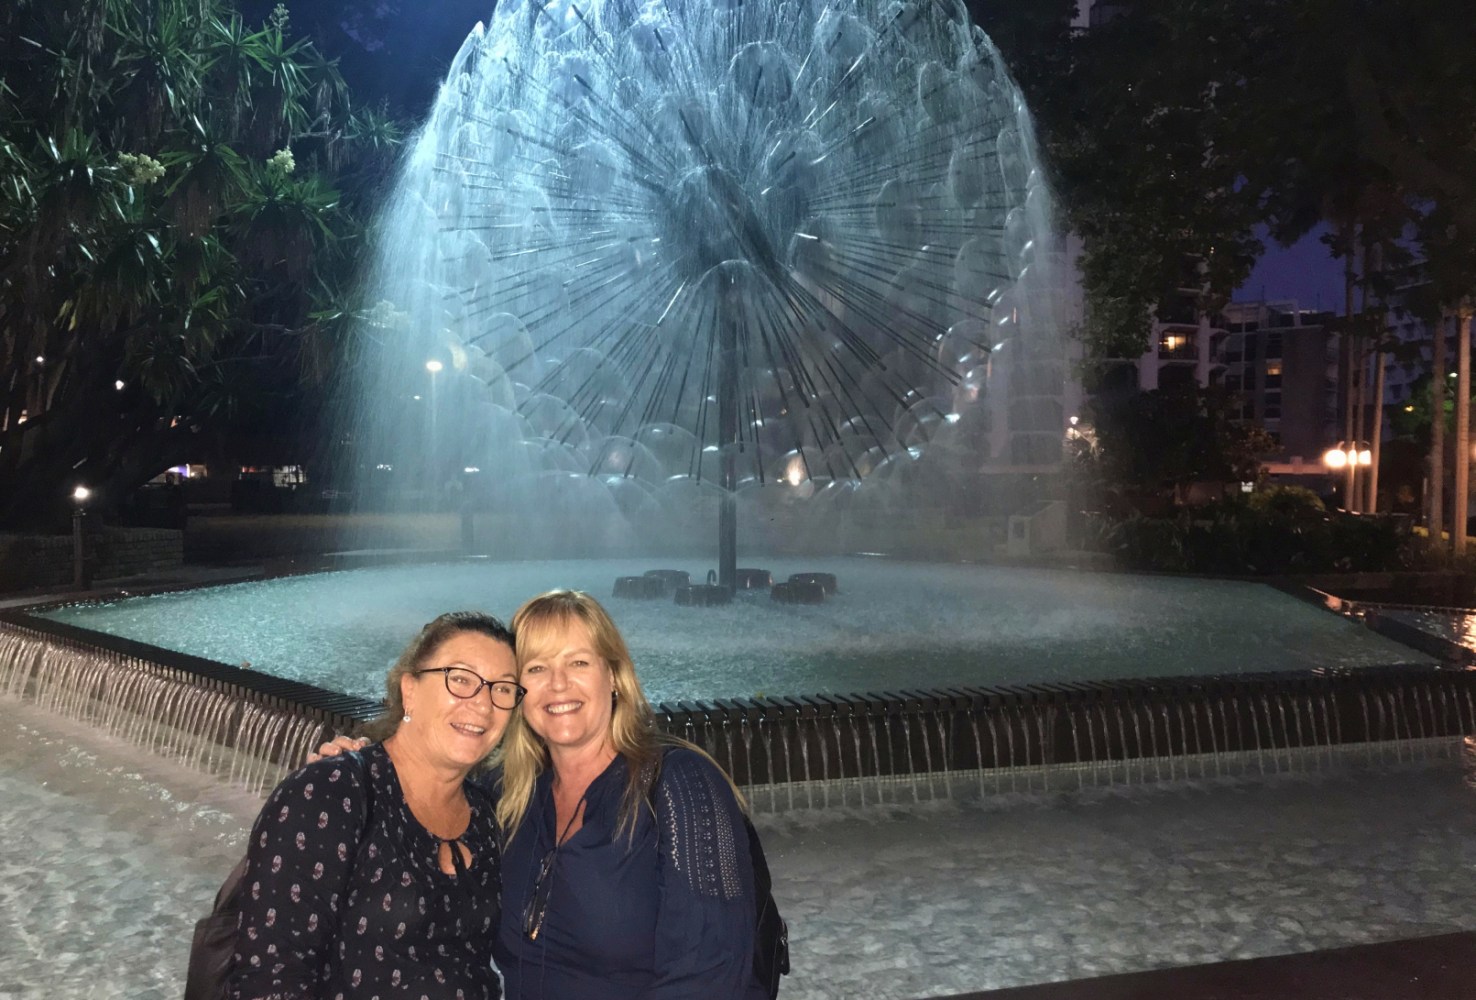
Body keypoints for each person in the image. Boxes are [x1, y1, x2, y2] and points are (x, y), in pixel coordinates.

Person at [232, 611, 523, 1000]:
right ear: (411, 690)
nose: (483, 705)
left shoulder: (488, 815)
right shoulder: (334, 793)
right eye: (461, 679)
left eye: (502, 689)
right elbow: (268, 980)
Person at [494, 589, 767, 1000]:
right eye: (536, 668)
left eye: (578, 662)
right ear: (518, 691)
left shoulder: (679, 786)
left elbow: (711, 976)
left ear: (614, 677)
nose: (558, 683)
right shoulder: (507, 794)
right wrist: (364, 765)